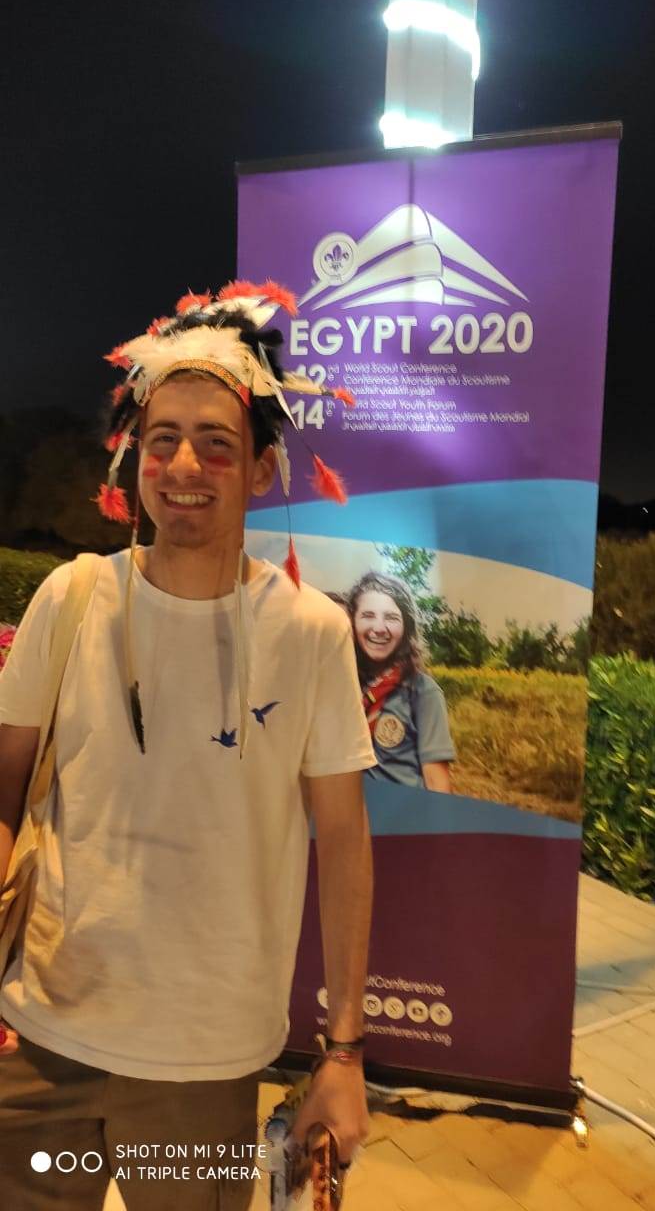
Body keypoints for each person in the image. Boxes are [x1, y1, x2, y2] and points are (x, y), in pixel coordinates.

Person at [0, 281, 376, 1210]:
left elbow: (344, 843)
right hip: (39, 1045)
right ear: (133, 457)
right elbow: (3, 791)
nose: (183, 465)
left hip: (201, 1068)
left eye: (217, 443)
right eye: (161, 438)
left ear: (262, 469)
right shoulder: (72, 598)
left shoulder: (310, 633)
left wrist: (344, 1053)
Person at [348, 572, 455, 793]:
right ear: (352, 622)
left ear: (406, 627)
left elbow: (437, 783)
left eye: (391, 618)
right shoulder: (343, 684)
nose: (379, 628)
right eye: (368, 615)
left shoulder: (423, 691)